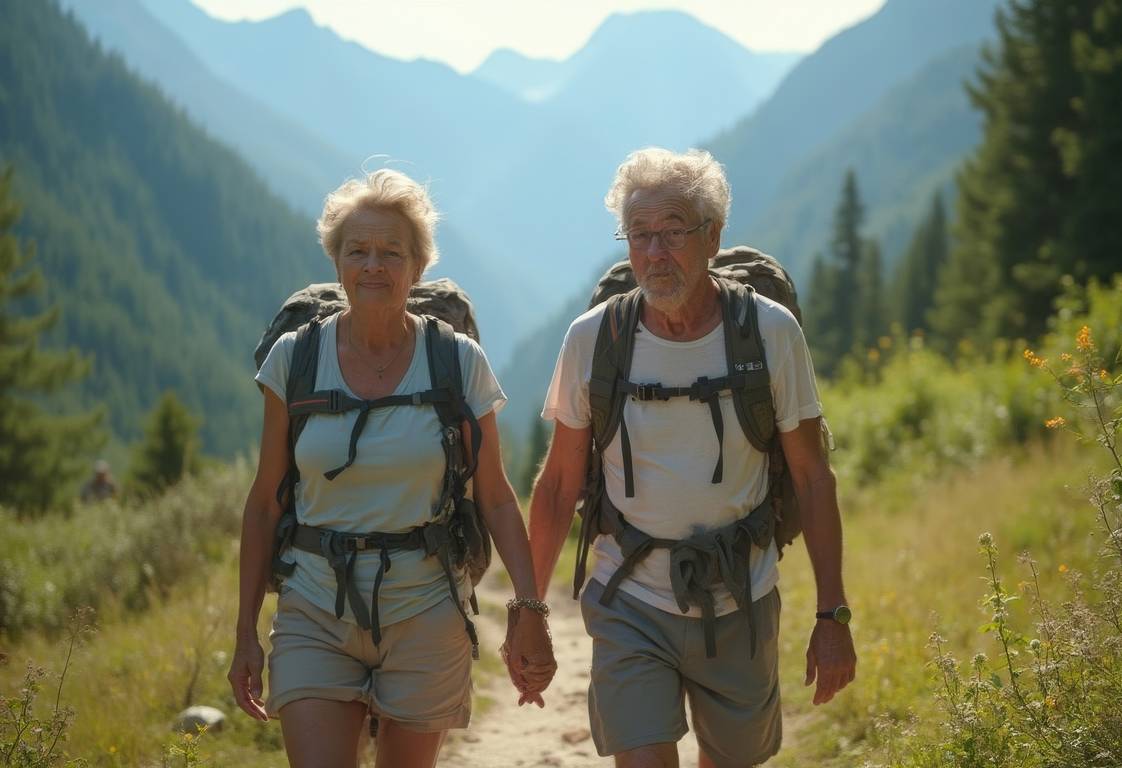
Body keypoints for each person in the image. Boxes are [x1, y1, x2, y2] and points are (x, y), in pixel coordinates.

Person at [528, 148, 856, 767]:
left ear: (713, 237)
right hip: (627, 598)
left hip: (741, 597)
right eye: (639, 235)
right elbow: (557, 484)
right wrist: (529, 608)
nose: (655, 253)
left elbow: (813, 478)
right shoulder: (592, 338)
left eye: (673, 232)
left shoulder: (770, 333)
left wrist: (832, 614)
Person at [229, 169, 556, 768]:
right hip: (314, 605)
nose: (373, 266)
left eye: (391, 252)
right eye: (357, 251)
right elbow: (265, 503)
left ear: (418, 266)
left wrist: (529, 610)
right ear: (337, 263)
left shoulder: (457, 361)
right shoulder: (294, 360)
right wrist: (245, 632)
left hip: (426, 607)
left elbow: (496, 497)